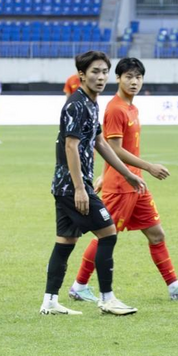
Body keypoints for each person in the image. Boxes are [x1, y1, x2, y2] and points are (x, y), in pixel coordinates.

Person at [68, 58, 178, 303]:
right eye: (128, 77)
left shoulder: (131, 107)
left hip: (135, 184)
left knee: (156, 234)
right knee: (106, 235)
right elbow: (114, 148)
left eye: (138, 77)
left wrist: (102, 173)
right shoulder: (116, 108)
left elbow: (109, 148)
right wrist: (148, 166)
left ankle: (174, 287)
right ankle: (79, 285)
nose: (134, 82)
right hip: (122, 186)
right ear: (118, 79)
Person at [40, 51, 146, 316]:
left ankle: (50, 301)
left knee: (65, 241)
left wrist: (128, 174)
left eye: (104, 72)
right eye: (95, 72)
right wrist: (79, 188)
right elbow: (71, 145)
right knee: (108, 233)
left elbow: (100, 142)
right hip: (71, 186)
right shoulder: (76, 104)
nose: (100, 77)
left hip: (66, 185)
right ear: (82, 75)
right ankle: (107, 298)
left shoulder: (91, 103)